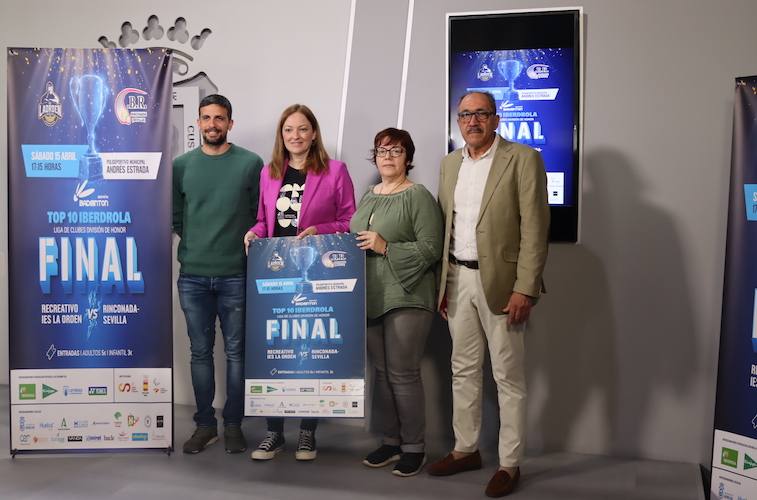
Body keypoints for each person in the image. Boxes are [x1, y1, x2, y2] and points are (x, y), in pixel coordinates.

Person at [428, 91, 549, 497]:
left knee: (507, 378)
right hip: (457, 281)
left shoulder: (523, 159)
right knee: (462, 370)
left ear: (496, 119)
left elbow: (535, 229)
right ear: (457, 121)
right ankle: (466, 450)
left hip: (502, 286)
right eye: (465, 114)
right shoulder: (449, 164)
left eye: (481, 113)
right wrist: (443, 284)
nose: (473, 121)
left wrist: (525, 289)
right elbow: (447, 228)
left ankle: (510, 464)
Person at [243, 104, 356, 461]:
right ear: (282, 135)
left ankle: (307, 432)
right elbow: (265, 222)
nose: (295, 136)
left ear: (314, 133)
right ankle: (274, 433)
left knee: (309, 349)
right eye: (289, 129)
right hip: (276, 272)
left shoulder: (335, 171)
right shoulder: (269, 172)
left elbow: (349, 220)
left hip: (318, 271)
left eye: (303, 129)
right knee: (274, 347)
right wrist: (253, 233)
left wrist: (316, 231)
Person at [173, 94, 264, 454]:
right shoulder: (182, 165)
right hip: (193, 275)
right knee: (199, 353)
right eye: (206, 118)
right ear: (198, 122)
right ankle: (205, 425)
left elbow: (261, 216)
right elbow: (175, 215)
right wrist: (197, 242)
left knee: (237, 354)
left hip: (235, 275)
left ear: (230, 123)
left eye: (220, 118)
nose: (212, 124)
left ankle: (234, 425)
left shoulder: (250, 164)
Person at [351, 128, 443, 477]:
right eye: (382, 150)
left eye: (396, 150)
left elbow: (432, 248)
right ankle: (390, 441)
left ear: (408, 157)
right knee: (381, 373)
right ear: (374, 156)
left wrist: (386, 246)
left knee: (403, 374)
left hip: (407, 294)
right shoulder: (368, 196)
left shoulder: (418, 196)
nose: (388, 156)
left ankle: (414, 447)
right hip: (371, 293)